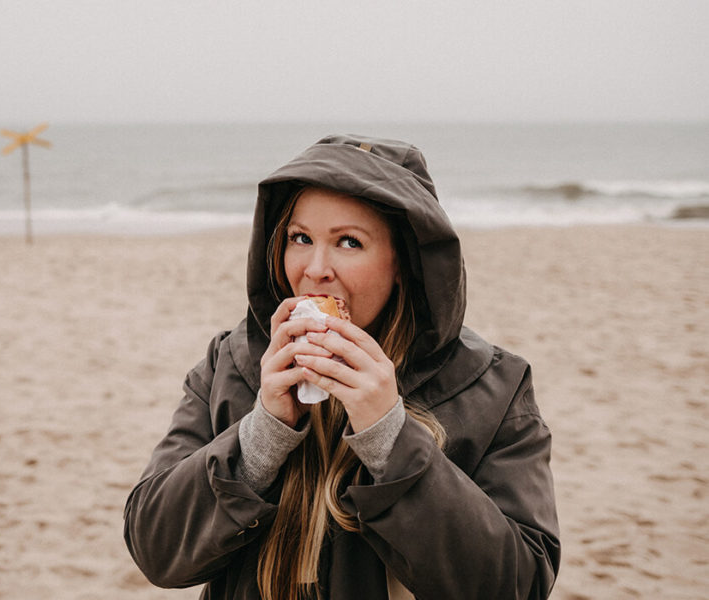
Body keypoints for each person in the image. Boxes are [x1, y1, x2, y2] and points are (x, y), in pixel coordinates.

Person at [124, 134, 560, 599]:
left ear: (403, 263)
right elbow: (157, 550)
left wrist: (389, 438)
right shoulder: (229, 365)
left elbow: (518, 584)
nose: (315, 268)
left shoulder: (492, 388)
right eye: (300, 238)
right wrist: (261, 436)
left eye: (349, 242)